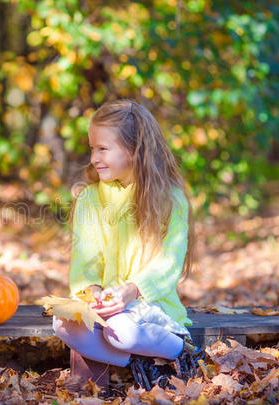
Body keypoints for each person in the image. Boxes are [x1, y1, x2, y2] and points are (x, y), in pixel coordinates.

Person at [53, 99, 206, 391]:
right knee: (62, 323)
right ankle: (142, 363)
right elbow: (86, 261)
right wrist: (94, 293)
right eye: (92, 148)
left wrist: (130, 290)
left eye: (103, 149)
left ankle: (181, 351)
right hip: (108, 309)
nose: (94, 157)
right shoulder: (89, 200)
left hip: (149, 308)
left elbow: (169, 263)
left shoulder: (169, 199)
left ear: (134, 150)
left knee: (122, 331)